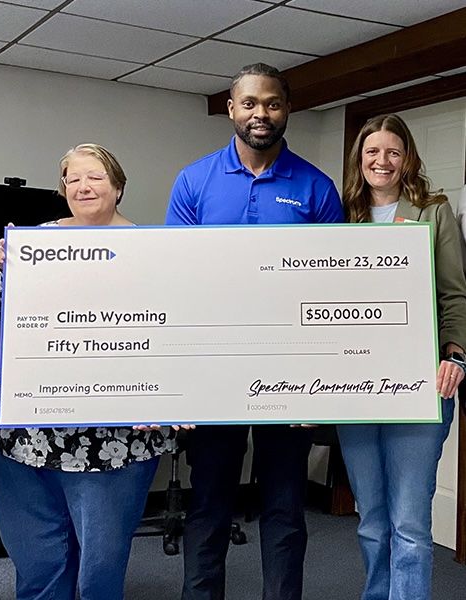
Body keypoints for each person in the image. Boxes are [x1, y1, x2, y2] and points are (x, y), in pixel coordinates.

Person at [165, 63, 344, 600]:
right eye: (249, 103)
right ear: (231, 109)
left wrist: (324, 384)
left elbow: (333, 289)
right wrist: (181, 382)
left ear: (286, 110)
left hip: (289, 373)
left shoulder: (316, 186)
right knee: (210, 504)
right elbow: (175, 279)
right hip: (214, 371)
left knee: (285, 507)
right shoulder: (195, 180)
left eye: (271, 103)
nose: (260, 114)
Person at [0, 143, 176, 600]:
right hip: (28, 433)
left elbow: (173, 331)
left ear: (118, 186)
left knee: (99, 571)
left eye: (94, 176)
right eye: (73, 178)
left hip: (116, 439)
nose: (83, 186)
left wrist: (176, 393)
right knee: (38, 566)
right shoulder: (30, 245)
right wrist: (3, 269)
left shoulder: (157, 251)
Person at [336, 113, 466, 600]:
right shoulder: (341, 216)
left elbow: (455, 294)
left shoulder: (433, 210)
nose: (382, 160)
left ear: (406, 157)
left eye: (392, 151)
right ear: (360, 159)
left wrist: (457, 355)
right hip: (355, 389)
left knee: (410, 523)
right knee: (370, 520)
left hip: (418, 386)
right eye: (372, 151)